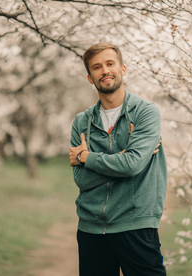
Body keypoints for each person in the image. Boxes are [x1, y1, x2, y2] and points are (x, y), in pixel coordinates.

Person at [69, 42, 167, 276]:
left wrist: (86, 157)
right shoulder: (81, 122)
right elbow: (82, 180)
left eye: (110, 64)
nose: (105, 71)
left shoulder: (145, 113)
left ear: (122, 69)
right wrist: (122, 159)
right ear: (90, 77)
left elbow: (133, 165)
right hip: (91, 230)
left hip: (137, 225)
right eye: (97, 67)